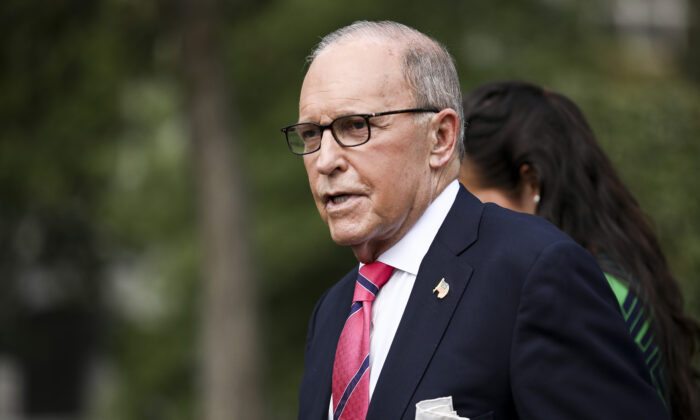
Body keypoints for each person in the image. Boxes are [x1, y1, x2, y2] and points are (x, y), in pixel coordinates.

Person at [284, 21, 669, 420]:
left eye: (354, 126)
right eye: (312, 134)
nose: (326, 161)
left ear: (441, 138)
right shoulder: (333, 311)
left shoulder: (532, 272)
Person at [459, 80, 700, 420]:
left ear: (531, 185)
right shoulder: (594, 277)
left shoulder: (584, 294)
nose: (462, 224)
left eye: (473, 205)